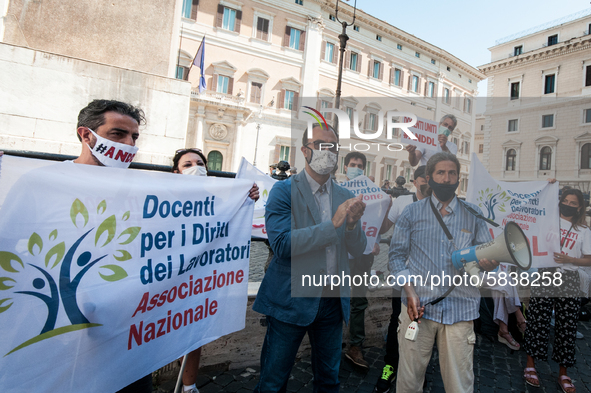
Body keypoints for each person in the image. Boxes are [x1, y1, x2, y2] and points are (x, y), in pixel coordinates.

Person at [253, 123, 367, 392]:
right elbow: (281, 245)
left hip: (331, 300)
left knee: (329, 380)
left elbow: (358, 248)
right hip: (290, 299)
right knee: (273, 381)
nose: (329, 152)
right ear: (305, 151)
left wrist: (351, 225)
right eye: (321, 146)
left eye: (334, 147)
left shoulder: (345, 195)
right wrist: (334, 224)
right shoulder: (283, 191)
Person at [390, 152, 498, 393]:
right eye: (441, 172)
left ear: (459, 178)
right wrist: (409, 291)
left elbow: (486, 257)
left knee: (459, 386)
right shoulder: (411, 213)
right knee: (408, 384)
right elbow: (396, 257)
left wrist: (490, 263)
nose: (447, 178)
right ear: (429, 177)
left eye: (452, 173)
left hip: (461, 311)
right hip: (418, 310)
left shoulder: (474, 214)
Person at [73, 99, 152, 393]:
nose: (129, 144)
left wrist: (241, 198)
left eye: (134, 137)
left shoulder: (143, 190)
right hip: (70, 328)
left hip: (128, 328)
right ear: (86, 135)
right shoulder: (44, 182)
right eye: (118, 134)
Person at [170, 148, 259, 393]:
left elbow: (234, 223)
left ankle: (188, 387)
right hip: (168, 279)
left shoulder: (218, 200)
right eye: (187, 164)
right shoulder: (164, 198)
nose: (195, 167)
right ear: (176, 172)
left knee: (192, 334)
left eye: (200, 163)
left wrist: (248, 197)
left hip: (199, 279)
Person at [523, 188, 591, 393]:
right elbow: (540, 201)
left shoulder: (584, 231)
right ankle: (530, 365)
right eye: (565, 201)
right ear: (560, 201)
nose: (568, 205)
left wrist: (571, 260)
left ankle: (563, 372)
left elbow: (588, 258)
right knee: (537, 320)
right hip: (546, 272)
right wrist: (548, 185)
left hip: (569, 277)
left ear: (579, 207)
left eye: (573, 203)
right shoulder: (548, 221)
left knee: (567, 325)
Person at [374, 165, 427, 393]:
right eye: (423, 179)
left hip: (429, 279)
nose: (427, 183)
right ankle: (390, 365)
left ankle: (418, 370)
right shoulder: (403, 202)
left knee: (424, 324)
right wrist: (383, 206)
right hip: (403, 276)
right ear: (415, 182)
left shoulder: (441, 205)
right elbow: (384, 226)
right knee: (397, 320)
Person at [341, 152, 385, 369]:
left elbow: (376, 222)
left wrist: (374, 241)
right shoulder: (337, 190)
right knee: (332, 298)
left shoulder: (373, 194)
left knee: (358, 300)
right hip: (341, 256)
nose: (355, 168)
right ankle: (329, 345)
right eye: (352, 164)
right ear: (345, 167)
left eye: (359, 165)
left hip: (363, 256)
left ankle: (355, 346)